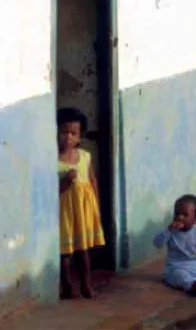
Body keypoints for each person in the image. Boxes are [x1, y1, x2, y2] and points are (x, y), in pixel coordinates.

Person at [57, 107, 105, 300]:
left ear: (79, 137)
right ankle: (67, 284)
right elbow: (53, 191)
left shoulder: (85, 156)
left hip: (84, 211)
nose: (68, 137)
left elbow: (92, 181)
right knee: (64, 253)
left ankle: (86, 284)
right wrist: (66, 181)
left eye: (73, 133)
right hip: (65, 213)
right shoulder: (53, 160)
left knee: (83, 251)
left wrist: (97, 207)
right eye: (63, 132)